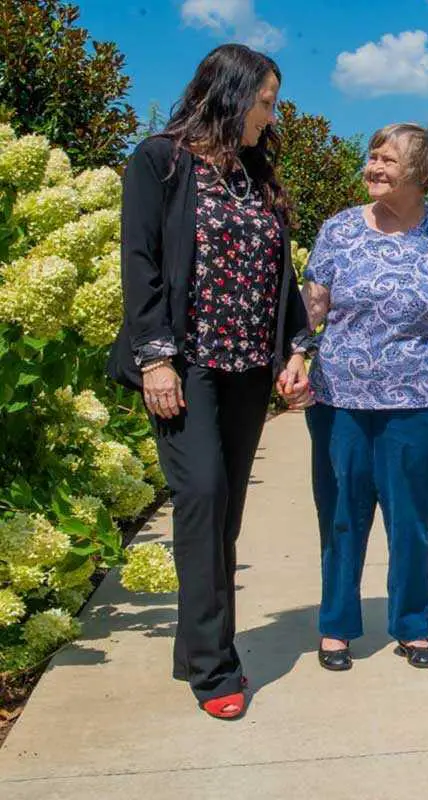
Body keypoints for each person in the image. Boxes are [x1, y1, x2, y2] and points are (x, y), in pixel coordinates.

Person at [107, 44, 311, 719]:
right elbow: (140, 262)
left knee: (224, 515)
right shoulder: (159, 161)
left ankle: (194, 645)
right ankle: (216, 670)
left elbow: (277, 275)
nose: (271, 114)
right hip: (186, 363)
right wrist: (155, 358)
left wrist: (294, 347)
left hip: (249, 365)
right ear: (231, 93)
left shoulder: (256, 172)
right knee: (202, 494)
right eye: (266, 101)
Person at [302, 123, 428, 672]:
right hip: (339, 401)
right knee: (340, 517)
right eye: (372, 157)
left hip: (420, 403)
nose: (373, 167)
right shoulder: (338, 231)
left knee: (411, 521)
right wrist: (293, 358)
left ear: (419, 173)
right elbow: (313, 309)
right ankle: (335, 628)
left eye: (386, 160)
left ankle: (412, 627)